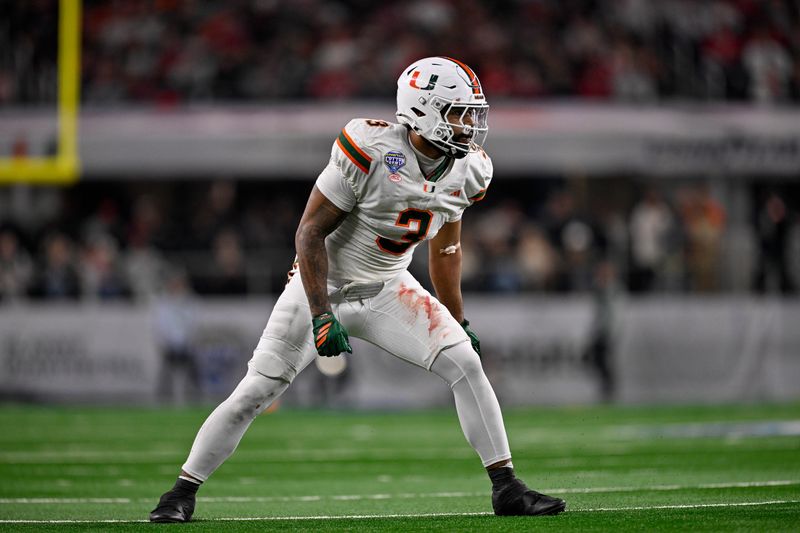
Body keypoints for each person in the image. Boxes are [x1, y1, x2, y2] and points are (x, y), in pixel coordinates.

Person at [149, 56, 566, 523]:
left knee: (466, 364)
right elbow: (309, 233)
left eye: (472, 112)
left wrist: (456, 317)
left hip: (389, 286)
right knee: (256, 391)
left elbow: (447, 250)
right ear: (423, 110)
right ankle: (181, 492)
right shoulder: (368, 147)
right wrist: (321, 313)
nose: (469, 124)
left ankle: (507, 488)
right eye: (457, 112)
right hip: (322, 285)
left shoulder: (470, 170)